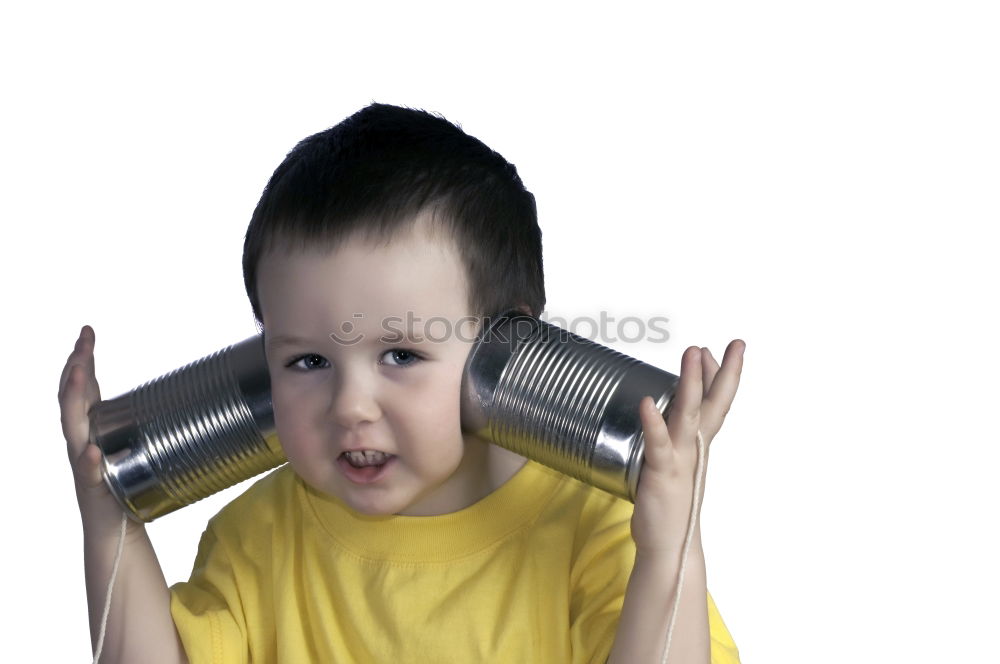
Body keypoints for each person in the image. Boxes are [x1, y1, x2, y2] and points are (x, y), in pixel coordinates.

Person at [59, 102, 746, 663]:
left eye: (402, 356)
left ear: (511, 352)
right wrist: (107, 513)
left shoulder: (595, 531)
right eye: (307, 362)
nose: (350, 407)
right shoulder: (257, 539)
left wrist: (669, 553)